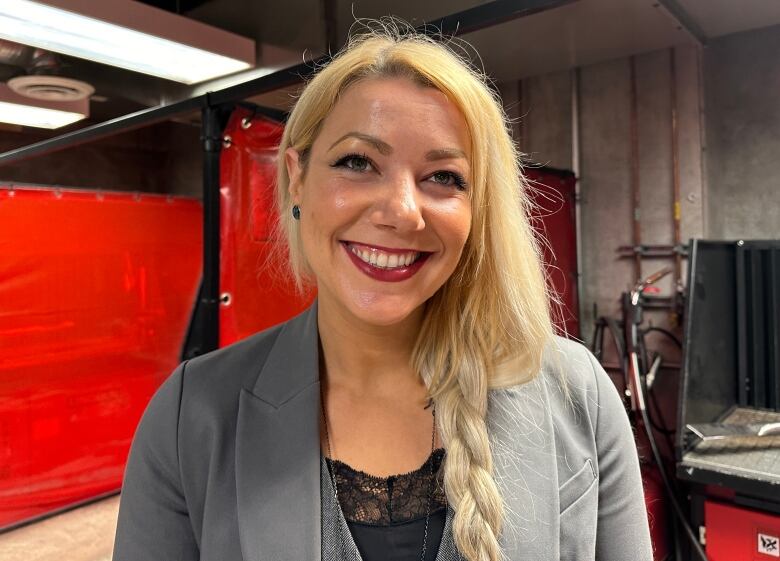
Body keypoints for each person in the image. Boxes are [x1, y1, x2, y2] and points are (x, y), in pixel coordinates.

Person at [112, 21, 653, 561]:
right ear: (296, 177)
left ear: (478, 207)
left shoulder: (576, 393)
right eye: (357, 162)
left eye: (443, 177)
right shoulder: (193, 416)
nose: (400, 212)